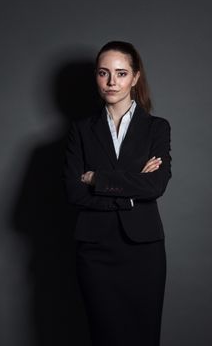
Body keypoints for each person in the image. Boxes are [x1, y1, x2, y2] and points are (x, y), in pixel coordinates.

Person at [62, 40, 172, 346]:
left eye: (121, 73)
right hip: (95, 252)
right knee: (104, 337)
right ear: (96, 77)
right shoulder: (81, 131)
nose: (112, 82)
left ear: (135, 78)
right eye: (104, 73)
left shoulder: (157, 129)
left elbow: (156, 185)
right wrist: (131, 190)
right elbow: (74, 192)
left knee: (144, 336)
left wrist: (98, 178)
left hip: (144, 252)